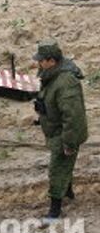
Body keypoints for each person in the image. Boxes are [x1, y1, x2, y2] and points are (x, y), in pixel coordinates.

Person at [33, 39, 88, 222]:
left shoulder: (66, 82)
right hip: (55, 129)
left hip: (65, 133)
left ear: (51, 60)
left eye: (41, 60)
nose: (38, 63)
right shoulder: (50, 74)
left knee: (57, 169)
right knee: (64, 165)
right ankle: (69, 193)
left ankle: (54, 211)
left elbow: (73, 116)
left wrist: (69, 143)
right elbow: (50, 100)